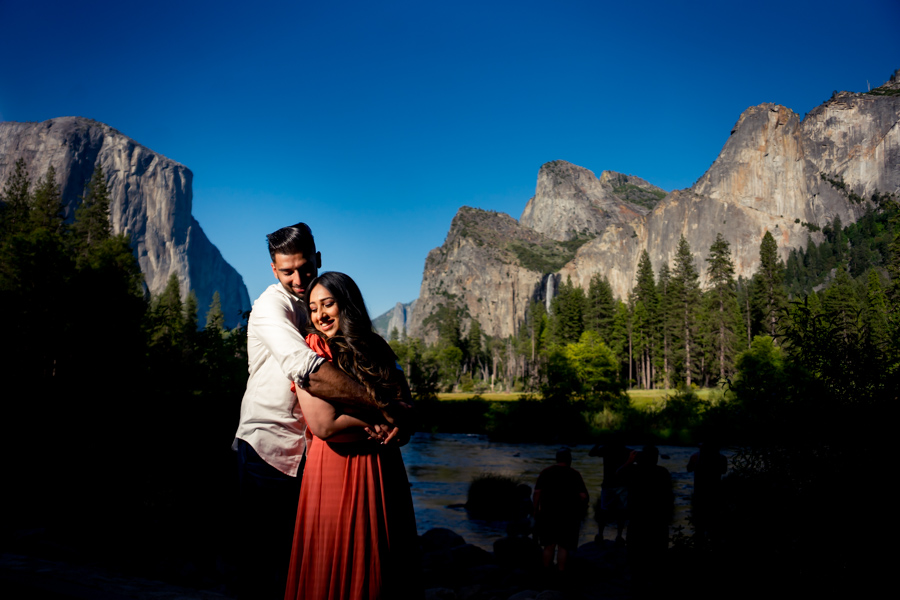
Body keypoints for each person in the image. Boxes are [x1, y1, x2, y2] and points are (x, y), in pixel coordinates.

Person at [232, 224, 397, 600]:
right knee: (263, 569)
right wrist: (386, 410)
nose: (298, 278)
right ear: (274, 270)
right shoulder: (269, 307)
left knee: (297, 567)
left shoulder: (317, 303)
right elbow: (306, 366)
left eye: (305, 268)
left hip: (308, 456)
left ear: (317, 260)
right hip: (266, 451)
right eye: (287, 271)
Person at [284, 272, 420, 600]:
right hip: (334, 469)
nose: (320, 315)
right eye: (314, 308)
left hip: (384, 471)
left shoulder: (379, 348)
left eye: (328, 304)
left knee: (380, 567)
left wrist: (402, 423)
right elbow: (324, 425)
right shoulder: (313, 348)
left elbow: (406, 408)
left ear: (348, 306)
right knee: (335, 563)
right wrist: (375, 419)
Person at [533, 447, 589, 574]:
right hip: (568, 516)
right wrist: (581, 510)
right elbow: (583, 496)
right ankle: (561, 573)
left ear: (556, 459)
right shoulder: (574, 474)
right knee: (563, 546)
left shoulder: (546, 472)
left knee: (549, 545)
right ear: (570, 460)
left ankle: (546, 572)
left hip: (548, 515)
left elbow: (537, 493)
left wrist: (535, 509)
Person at [588, 435, 632, 545]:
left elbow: (591, 453)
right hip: (622, 485)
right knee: (621, 512)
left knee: (603, 511)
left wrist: (599, 442)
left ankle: (600, 534)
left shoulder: (606, 449)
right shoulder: (626, 451)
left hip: (607, 484)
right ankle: (619, 536)